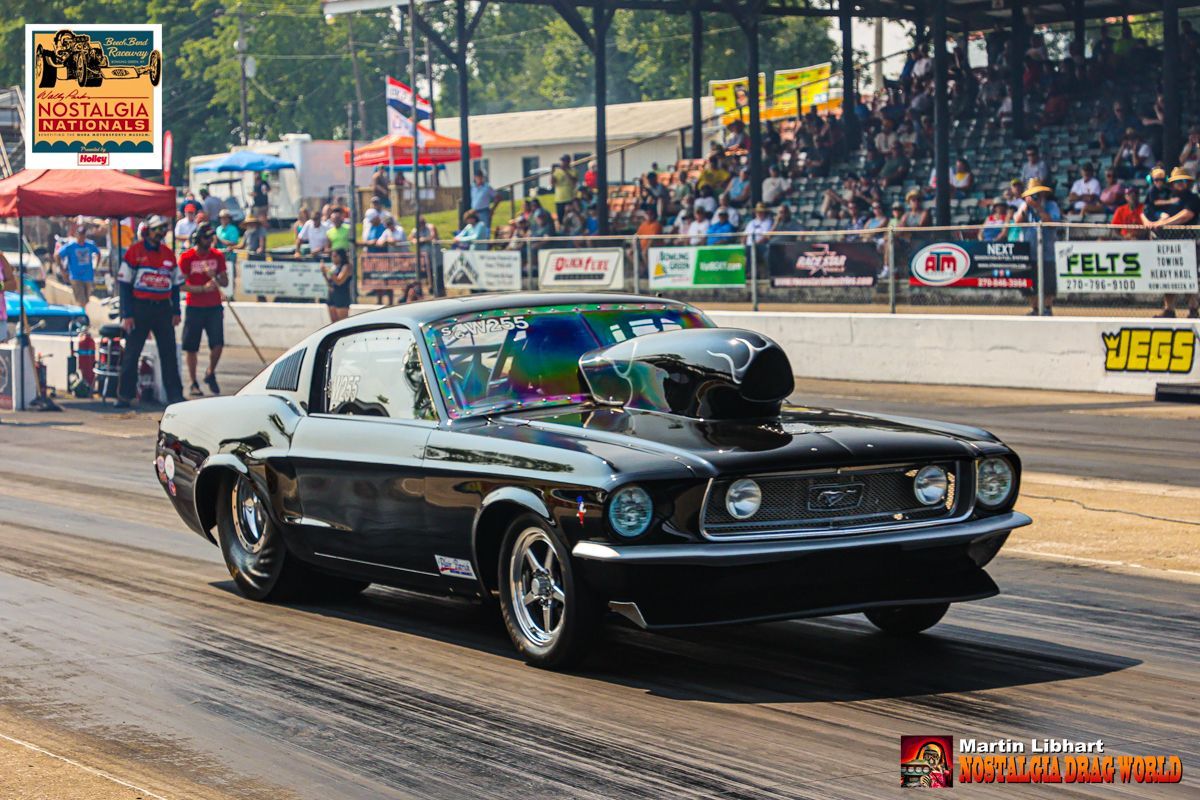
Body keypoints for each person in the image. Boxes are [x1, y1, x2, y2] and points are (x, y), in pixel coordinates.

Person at [114, 216, 185, 407]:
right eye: (157, 229)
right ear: (148, 231)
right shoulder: (134, 252)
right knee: (131, 353)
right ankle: (125, 396)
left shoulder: (169, 254)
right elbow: (124, 286)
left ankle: (175, 395)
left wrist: (176, 310)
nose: (160, 233)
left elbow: (176, 286)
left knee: (169, 353)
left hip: (163, 309)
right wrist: (127, 314)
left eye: (163, 229)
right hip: (139, 309)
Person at [178, 223, 228, 397]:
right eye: (206, 237)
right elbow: (181, 284)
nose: (210, 240)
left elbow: (225, 282)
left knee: (218, 344)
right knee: (192, 346)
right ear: (199, 238)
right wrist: (201, 289)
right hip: (195, 306)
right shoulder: (187, 257)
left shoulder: (217, 255)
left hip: (214, 306)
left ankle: (210, 372)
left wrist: (215, 276)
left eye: (211, 237)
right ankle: (193, 382)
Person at [1143, 167, 1200, 318]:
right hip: (1170, 243)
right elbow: (1150, 211)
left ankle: (1193, 309)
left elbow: (1186, 215)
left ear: (1187, 183)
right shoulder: (1171, 199)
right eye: (1177, 182)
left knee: (1189, 276)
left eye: (1183, 181)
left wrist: (1165, 222)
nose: (1180, 184)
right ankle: (1169, 309)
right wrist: (1157, 220)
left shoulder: (1193, 198)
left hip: (1188, 243)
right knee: (1169, 277)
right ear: (1173, 184)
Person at [1012, 178, 1062, 315]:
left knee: (1048, 283)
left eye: (1038, 194)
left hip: (1047, 250)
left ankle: (1047, 308)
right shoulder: (1024, 207)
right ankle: (1034, 307)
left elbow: (1051, 222)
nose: (1036, 197)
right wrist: (1026, 207)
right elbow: (1016, 222)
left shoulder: (1051, 205)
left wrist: (1038, 207)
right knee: (1028, 283)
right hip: (1029, 250)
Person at [58, 219, 101, 306]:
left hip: (88, 275)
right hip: (75, 276)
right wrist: (62, 270)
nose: (81, 237)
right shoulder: (71, 246)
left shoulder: (90, 244)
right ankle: (82, 316)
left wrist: (96, 266)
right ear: (77, 235)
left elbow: (98, 253)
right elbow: (57, 255)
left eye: (83, 235)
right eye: (80, 235)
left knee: (86, 299)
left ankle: (81, 314)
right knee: (81, 300)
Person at [322, 248, 354, 322]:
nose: (333, 258)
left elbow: (339, 281)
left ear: (341, 257)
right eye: (332, 256)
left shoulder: (346, 266)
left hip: (342, 295)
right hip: (332, 296)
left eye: (335, 256)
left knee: (342, 322)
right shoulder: (334, 267)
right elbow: (330, 283)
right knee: (333, 323)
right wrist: (324, 274)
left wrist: (329, 271)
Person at [551, 155, 578, 222]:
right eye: (562, 161)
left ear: (568, 161)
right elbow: (552, 183)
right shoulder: (557, 171)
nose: (562, 163)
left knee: (570, 217)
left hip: (569, 198)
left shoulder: (573, 171)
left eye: (564, 161)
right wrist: (552, 172)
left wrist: (565, 171)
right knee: (561, 218)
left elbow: (573, 181)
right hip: (559, 199)